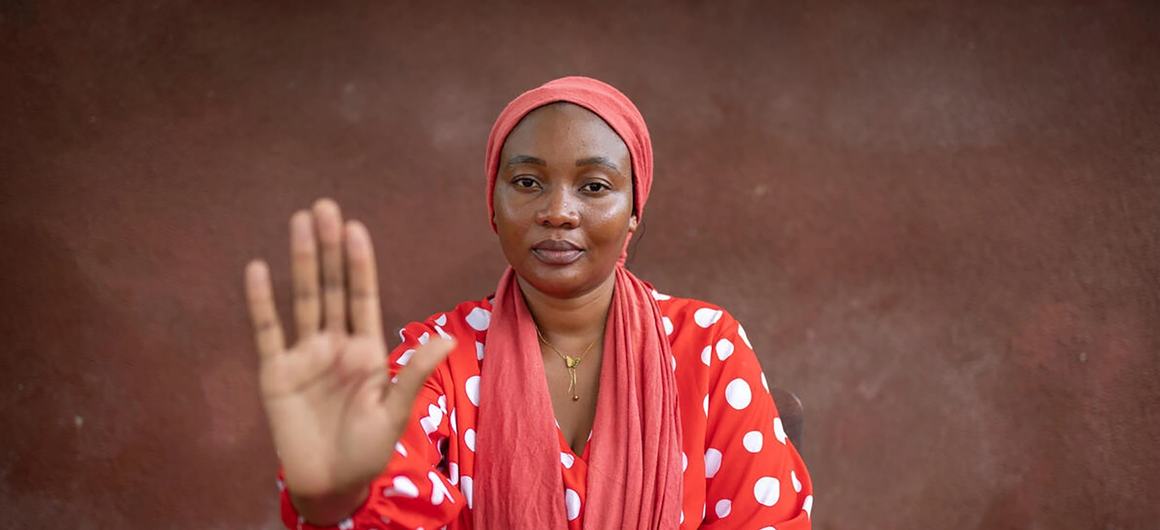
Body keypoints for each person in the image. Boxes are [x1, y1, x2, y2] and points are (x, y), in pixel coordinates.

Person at [244, 76, 813, 530]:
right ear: (493, 202)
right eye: (526, 183)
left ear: (635, 209)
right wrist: (340, 501)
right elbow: (381, 493)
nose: (558, 211)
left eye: (594, 186)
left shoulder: (706, 346)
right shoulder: (440, 358)